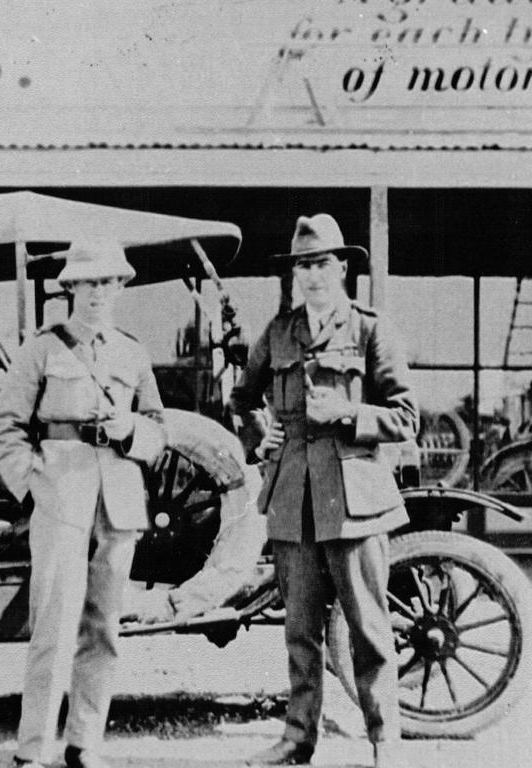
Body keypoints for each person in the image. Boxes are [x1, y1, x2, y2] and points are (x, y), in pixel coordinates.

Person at [229, 215, 417, 768]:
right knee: (299, 632)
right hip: (293, 500)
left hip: (354, 503)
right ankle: (297, 740)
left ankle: (386, 742)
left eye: (321, 265)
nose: (311, 276)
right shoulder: (279, 332)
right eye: (301, 267)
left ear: (342, 268)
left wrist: (348, 413)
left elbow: (406, 416)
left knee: (369, 627)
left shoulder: (371, 329)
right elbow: (242, 400)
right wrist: (264, 436)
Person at [0, 240, 168, 768]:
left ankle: (84, 743)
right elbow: (5, 428)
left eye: (108, 283)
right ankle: (33, 750)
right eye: (88, 283)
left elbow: (158, 429)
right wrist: (33, 486)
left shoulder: (133, 351)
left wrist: (130, 428)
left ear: (120, 288)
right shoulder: (43, 348)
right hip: (61, 497)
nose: (98, 293)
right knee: (54, 626)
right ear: (70, 288)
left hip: (119, 500)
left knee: (104, 628)